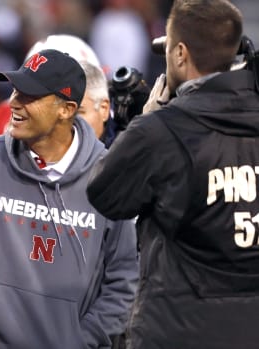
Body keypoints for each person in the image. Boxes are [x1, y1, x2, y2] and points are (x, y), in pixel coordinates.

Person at [0, 48, 139, 348]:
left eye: (29, 96)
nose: (13, 102)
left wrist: (81, 340)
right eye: (15, 91)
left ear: (66, 109)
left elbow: (123, 278)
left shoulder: (110, 175)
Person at [87, 0, 259, 347]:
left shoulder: (162, 130)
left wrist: (144, 121)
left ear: (180, 53)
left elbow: (104, 193)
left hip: (180, 328)